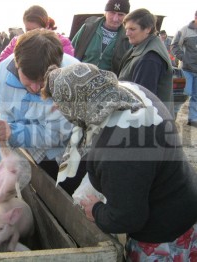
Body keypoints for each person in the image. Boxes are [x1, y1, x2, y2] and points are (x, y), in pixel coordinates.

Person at [42, 62, 197, 261]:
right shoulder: (125, 91)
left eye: (61, 104)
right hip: (183, 196)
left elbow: (128, 218)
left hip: (163, 233)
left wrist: (97, 211)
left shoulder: (116, 147)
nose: (58, 109)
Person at [0, 29, 79, 176]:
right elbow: (7, 115)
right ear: (17, 65)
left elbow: (57, 134)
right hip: (33, 149)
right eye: (29, 79)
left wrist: (13, 132)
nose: (36, 88)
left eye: (43, 80)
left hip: (69, 155)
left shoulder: (72, 78)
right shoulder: (3, 75)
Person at [118, 8, 174, 116]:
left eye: (132, 29)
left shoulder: (149, 58)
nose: (127, 33)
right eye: (126, 29)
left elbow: (142, 100)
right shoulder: (142, 45)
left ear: (147, 29)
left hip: (147, 123)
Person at [0, 5, 74, 68]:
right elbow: (0, 65)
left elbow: (69, 69)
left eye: (36, 30)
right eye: (28, 30)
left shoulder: (62, 42)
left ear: (46, 26)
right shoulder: (16, 42)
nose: (31, 34)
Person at [71, 0, 131, 76]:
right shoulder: (88, 27)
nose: (115, 18)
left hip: (108, 83)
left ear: (126, 16)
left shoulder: (128, 37)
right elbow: (70, 51)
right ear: (105, 13)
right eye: (112, 13)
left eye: (120, 14)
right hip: (80, 77)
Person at [171, 10, 197, 127]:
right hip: (186, 69)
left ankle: (193, 119)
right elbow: (174, 45)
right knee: (184, 94)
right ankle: (173, 115)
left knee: (196, 96)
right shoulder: (185, 30)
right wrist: (183, 58)